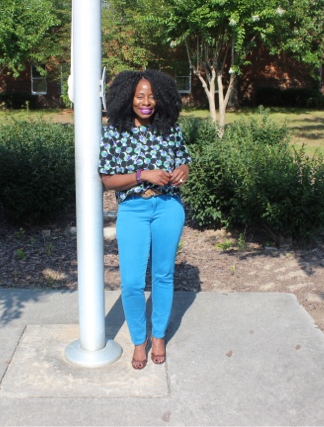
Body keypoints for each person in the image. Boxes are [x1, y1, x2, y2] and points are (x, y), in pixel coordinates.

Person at [98, 70, 192, 369]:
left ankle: (159, 335)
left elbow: (184, 161)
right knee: (132, 282)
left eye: (152, 96)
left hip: (168, 206)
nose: (146, 102)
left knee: (163, 275)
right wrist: (143, 175)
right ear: (128, 98)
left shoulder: (170, 129)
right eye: (140, 96)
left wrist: (182, 171)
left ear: (161, 98)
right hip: (133, 209)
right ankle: (139, 340)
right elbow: (107, 180)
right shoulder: (115, 132)